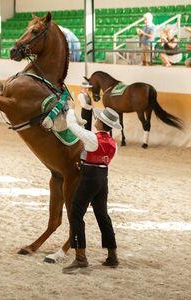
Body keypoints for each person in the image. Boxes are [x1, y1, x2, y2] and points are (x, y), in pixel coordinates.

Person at [63, 102, 122, 272]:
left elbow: (72, 126)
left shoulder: (92, 138)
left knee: (76, 214)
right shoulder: (113, 144)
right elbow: (103, 160)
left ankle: (80, 257)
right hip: (103, 179)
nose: (95, 119)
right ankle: (112, 256)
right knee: (102, 215)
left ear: (102, 124)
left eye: (97, 119)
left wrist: (70, 109)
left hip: (89, 179)